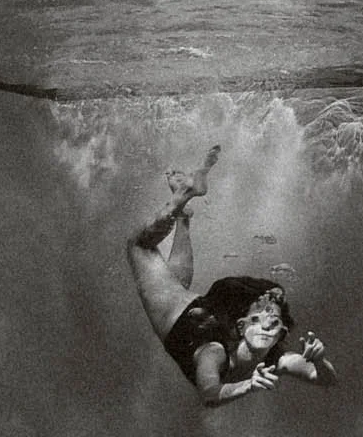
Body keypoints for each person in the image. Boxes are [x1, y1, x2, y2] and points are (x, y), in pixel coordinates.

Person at [125, 145, 336, 407]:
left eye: (272, 324)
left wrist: (320, 361)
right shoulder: (214, 352)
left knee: (174, 283)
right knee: (138, 246)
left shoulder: (277, 358)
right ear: (241, 326)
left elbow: (324, 379)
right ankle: (182, 195)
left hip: (193, 315)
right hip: (180, 317)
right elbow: (210, 393)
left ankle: (183, 217)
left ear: (281, 333)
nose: (264, 327)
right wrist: (248, 385)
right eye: (257, 320)